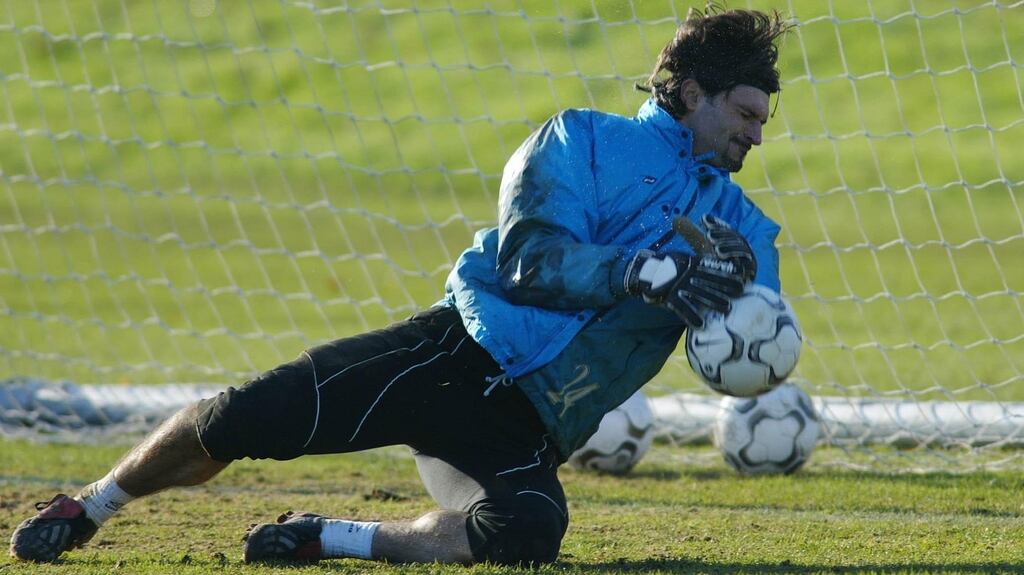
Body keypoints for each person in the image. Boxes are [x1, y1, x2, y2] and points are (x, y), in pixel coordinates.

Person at [9, 5, 791, 566]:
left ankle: (333, 536)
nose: (757, 134)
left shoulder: (745, 227)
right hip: (450, 353)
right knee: (246, 414)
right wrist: (636, 271)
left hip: (530, 426)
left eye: (763, 120)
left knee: (527, 534)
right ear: (691, 93)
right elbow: (527, 256)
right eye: (746, 113)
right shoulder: (582, 138)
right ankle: (91, 504)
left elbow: (750, 344)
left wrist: (742, 293)